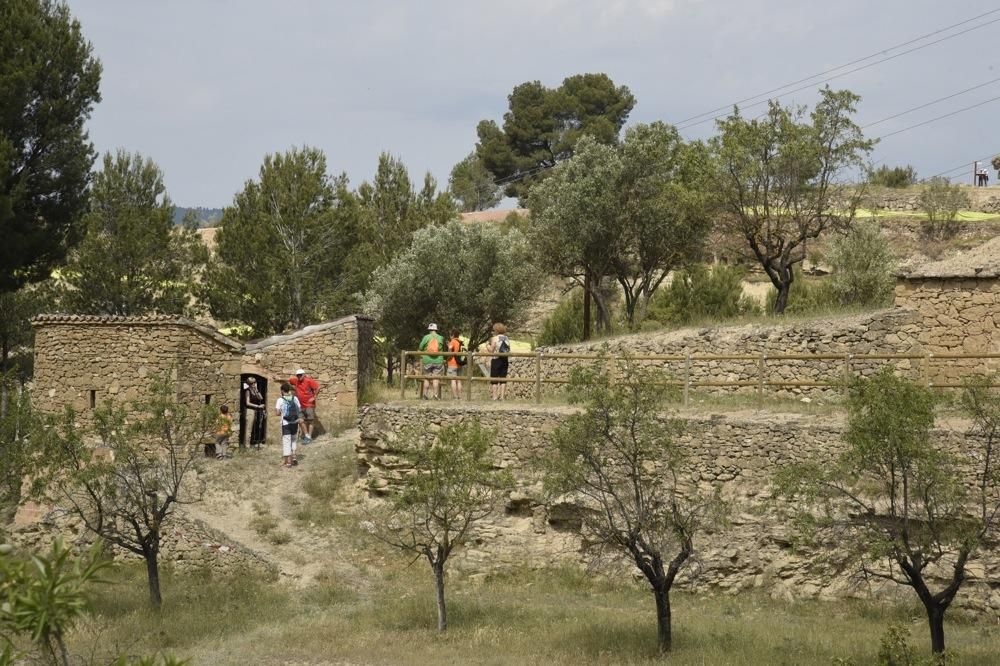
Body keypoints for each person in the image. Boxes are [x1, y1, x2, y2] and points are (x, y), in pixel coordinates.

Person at [286, 369, 319, 444]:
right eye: (297, 375)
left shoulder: (309, 380)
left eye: (300, 375)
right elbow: (288, 380)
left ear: (304, 374)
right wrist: (278, 378)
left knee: (310, 420)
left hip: (309, 405)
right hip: (300, 405)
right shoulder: (296, 381)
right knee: (300, 420)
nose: (299, 376)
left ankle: (309, 437)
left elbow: (317, 387)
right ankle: (306, 435)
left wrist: (314, 397)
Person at [275, 383, 301, 468]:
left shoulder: (280, 400)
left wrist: (281, 412)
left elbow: (277, 413)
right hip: (295, 422)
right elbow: (299, 409)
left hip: (286, 423)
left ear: (282, 391)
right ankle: (294, 457)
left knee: (286, 441)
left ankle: (288, 462)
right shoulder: (295, 398)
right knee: (293, 439)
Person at [418, 323, 445, 400]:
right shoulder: (441, 338)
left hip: (427, 360)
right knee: (435, 378)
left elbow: (420, 347)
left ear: (429, 330)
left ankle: (425, 395)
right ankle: (435, 396)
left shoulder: (426, 337)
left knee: (427, 377)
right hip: (438, 360)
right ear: (436, 330)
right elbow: (442, 348)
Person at [487, 322, 510, 401]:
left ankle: (495, 396)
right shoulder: (506, 338)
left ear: (496, 330)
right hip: (505, 359)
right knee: (503, 378)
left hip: (496, 359)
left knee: (494, 379)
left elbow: (491, 350)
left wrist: (487, 345)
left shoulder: (495, 338)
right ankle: (502, 397)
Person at [243, 376, 266, 449]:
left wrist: (256, 389)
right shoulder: (247, 391)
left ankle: (248, 443)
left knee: (252, 427)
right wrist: (258, 406)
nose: (253, 384)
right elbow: (247, 403)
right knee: (248, 428)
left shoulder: (254, 391)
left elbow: (261, 398)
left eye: (254, 382)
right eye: (251, 383)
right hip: (249, 410)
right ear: (249, 384)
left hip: (254, 410)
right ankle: (246, 446)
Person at [446, 329, 464, 400]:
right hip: (459, 363)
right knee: (459, 380)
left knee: (453, 380)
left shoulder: (452, 341)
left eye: (450, 335)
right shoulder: (460, 342)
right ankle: (460, 396)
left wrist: (448, 346)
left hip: (452, 363)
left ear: (452, 335)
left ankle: (455, 397)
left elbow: (450, 352)